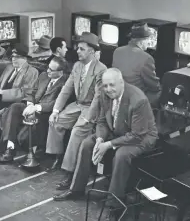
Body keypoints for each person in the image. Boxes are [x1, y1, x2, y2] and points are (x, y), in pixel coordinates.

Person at [53, 68, 158, 218]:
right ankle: (76, 189)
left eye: (112, 85)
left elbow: (136, 135)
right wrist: (100, 139)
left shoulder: (138, 100)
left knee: (121, 155)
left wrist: (108, 145)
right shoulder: (104, 93)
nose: (108, 89)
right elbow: (102, 121)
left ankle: (114, 203)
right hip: (118, 131)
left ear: (121, 82)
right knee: (87, 143)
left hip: (142, 137)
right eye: (105, 85)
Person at [46, 32, 107, 184]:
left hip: (91, 108)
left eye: (81, 49)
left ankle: (69, 171)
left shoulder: (101, 69)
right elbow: (66, 89)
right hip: (78, 105)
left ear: (92, 51)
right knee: (56, 121)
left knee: (77, 131)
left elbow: (98, 98)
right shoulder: (77, 66)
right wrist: (55, 111)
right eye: (77, 48)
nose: (77, 51)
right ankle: (57, 156)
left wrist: (88, 118)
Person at [0, 57, 68, 164]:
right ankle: (9, 150)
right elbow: (32, 92)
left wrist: (36, 108)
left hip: (45, 114)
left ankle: (31, 151)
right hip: (32, 107)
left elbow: (56, 103)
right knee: (15, 107)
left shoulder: (65, 83)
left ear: (60, 72)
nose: (48, 71)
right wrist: (30, 104)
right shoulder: (43, 76)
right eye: (48, 67)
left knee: (24, 136)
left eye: (51, 70)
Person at [112, 22, 161, 108]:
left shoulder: (117, 51)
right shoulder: (147, 58)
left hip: (118, 94)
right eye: (148, 40)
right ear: (142, 42)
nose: (149, 43)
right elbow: (154, 86)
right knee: (161, 92)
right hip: (135, 98)